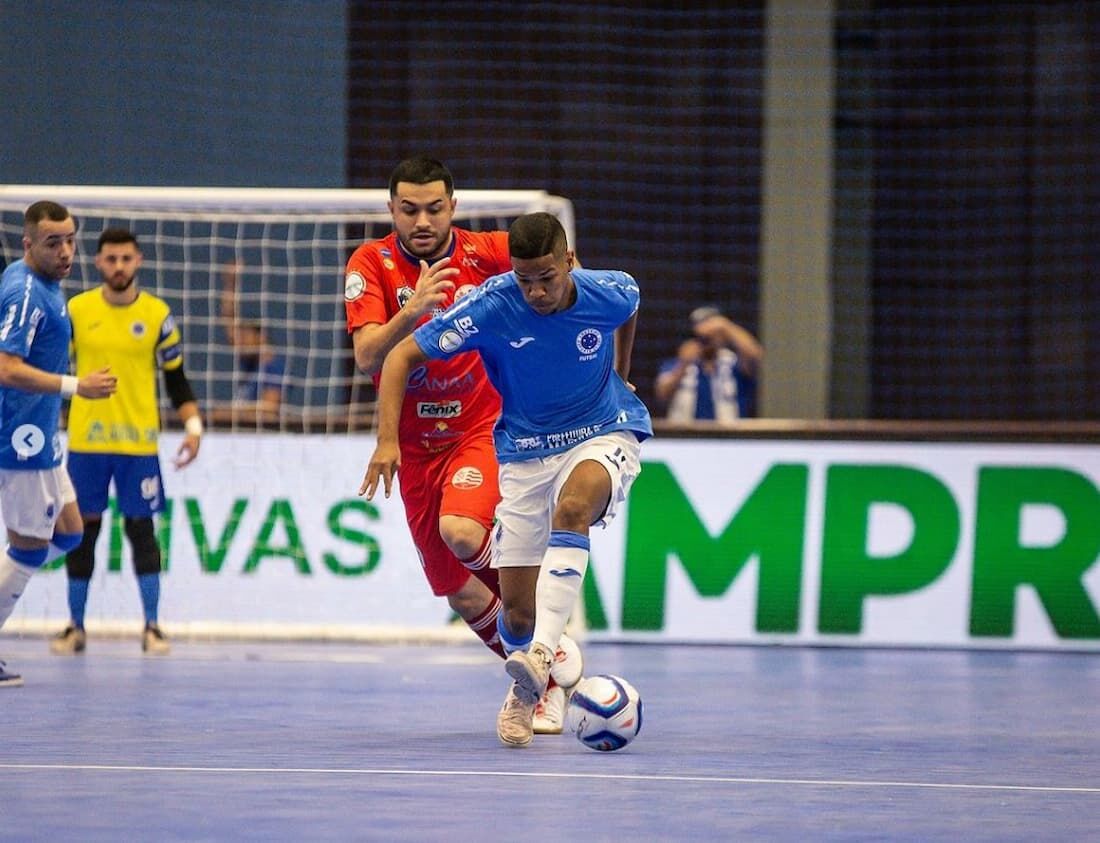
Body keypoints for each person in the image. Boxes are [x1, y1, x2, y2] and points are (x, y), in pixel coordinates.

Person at [361, 211, 652, 747]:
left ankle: (539, 663)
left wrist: (620, 372)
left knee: (573, 510)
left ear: (569, 262)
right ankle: (533, 654)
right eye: (525, 280)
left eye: (547, 278)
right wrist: (386, 440)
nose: (536, 292)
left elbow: (628, 305)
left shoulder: (605, 291)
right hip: (524, 453)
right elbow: (400, 355)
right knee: (514, 619)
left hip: (603, 430)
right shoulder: (493, 306)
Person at [345, 157, 582, 734]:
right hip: (413, 444)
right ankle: (540, 680)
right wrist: (414, 309)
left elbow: (560, 281)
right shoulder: (369, 263)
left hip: (481, 427)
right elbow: (369, 356)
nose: (421, 220)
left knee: (462, 531)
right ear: (391, 211)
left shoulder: (491, 251)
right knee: (460, 594)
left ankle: (541, 636)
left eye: (433, 208)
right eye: (408, 209)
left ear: (453, 206)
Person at [50, 228, 205, 657]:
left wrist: (193, 428)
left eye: (126, 259)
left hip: (138, 445)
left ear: (138, 261)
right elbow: (54, 371)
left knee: (142, 532)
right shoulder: (76, 310)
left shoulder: (157, 315)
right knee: (83, 534)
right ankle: (74, 627)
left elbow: (176, 378)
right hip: (86, 442)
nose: (119, 266)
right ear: (98, 263)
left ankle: (152, 627)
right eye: (111, 259)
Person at [0, 201, 117, 685]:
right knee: (29, 548)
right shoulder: (25, 292)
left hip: (41, 437)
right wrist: (76, 387)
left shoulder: (45, 284)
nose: (67, 250)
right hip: (19, 440)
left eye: (70, 239)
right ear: (28, 244)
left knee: (68, 534)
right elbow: (5, 367)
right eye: (54, 242)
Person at [207, 260, 285, 428]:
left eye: (245, 337)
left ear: (261, 337)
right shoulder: (251, 363)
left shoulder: (274, 367)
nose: (239, 342)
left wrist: (228, 413)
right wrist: (230, 284)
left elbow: (268, 410)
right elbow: (229, 321)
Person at [654, 305, 763, 422]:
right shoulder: (678, 363)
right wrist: (683, 365)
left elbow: (756, 357)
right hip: (685, 436)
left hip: (730, 436)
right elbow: (662, 394)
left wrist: (725, 326)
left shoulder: (734, 363)